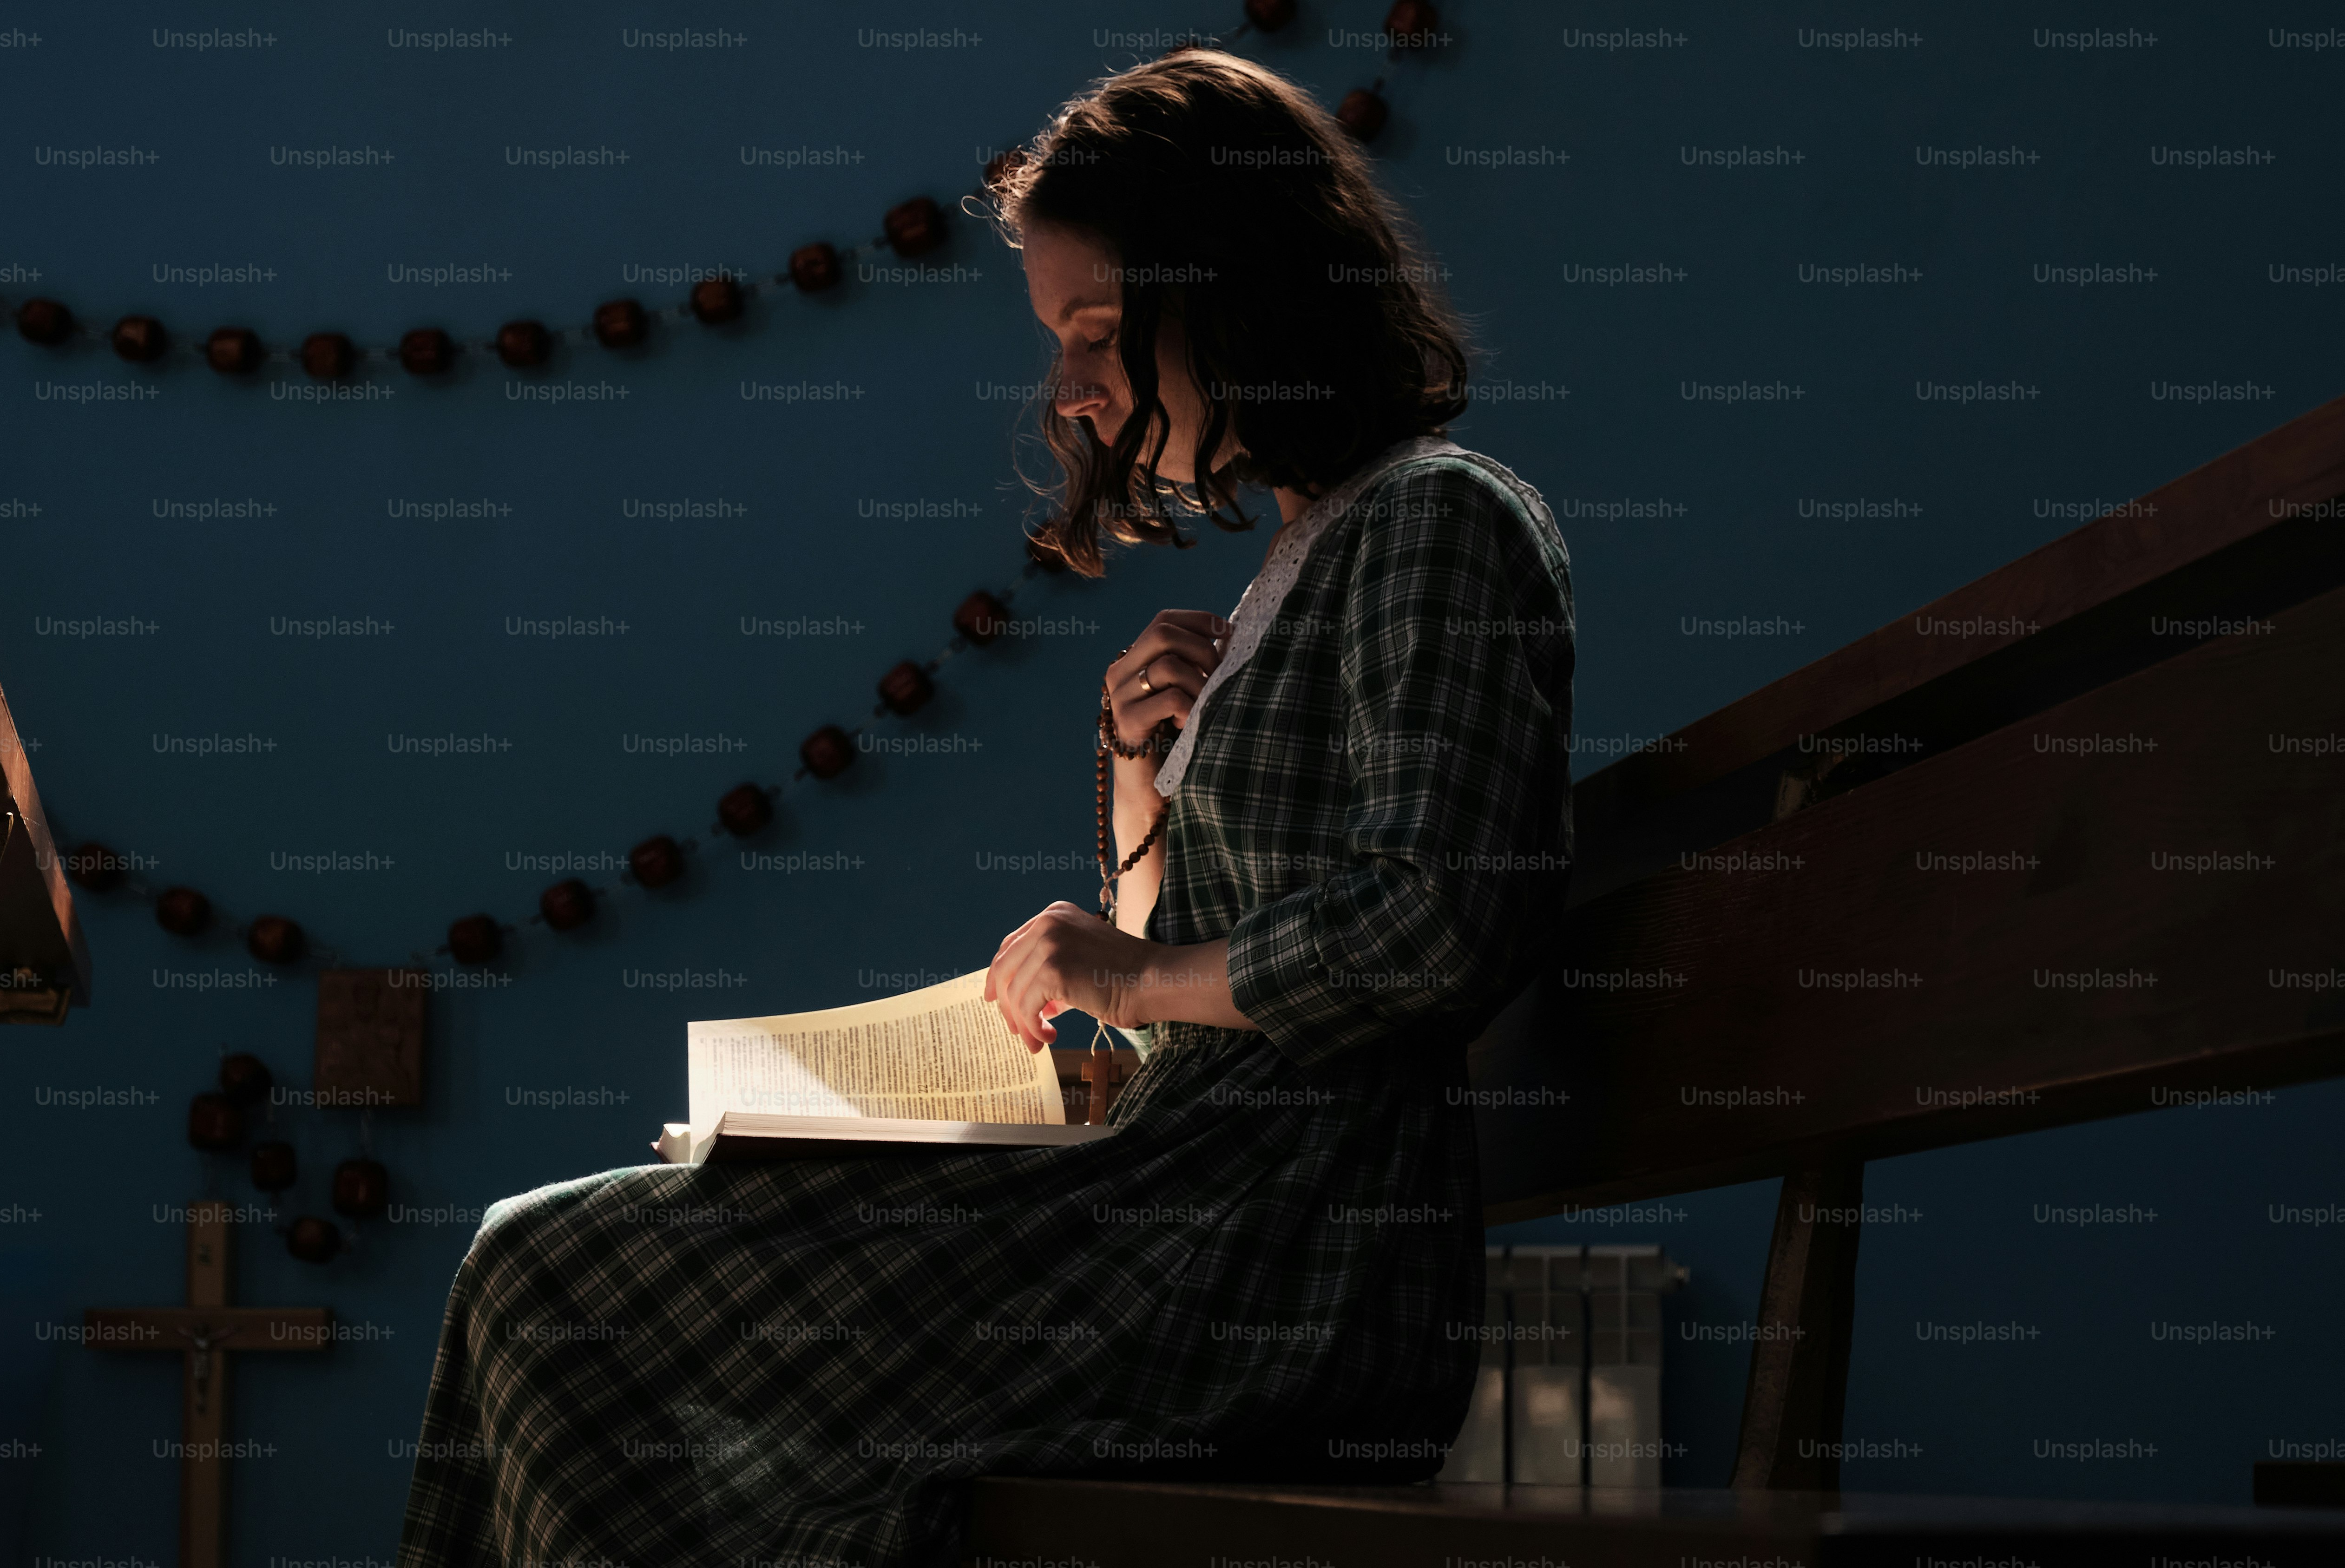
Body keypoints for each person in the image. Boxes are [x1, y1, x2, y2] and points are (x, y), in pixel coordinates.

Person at [398, 49, 1573, 1568]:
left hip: (1279, 1253)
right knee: (563, 1286)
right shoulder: (1299, 564)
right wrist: (1141, 766)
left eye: (1099, 331)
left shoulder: (1438, 519)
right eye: (1058, 340)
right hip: (1180, 1198)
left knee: (557, 1286)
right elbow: (1181, 986)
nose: (1073, 391)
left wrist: (1127, 974)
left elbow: (1438, 925)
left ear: (1243, 292)